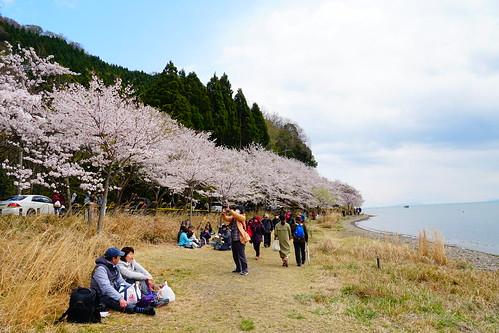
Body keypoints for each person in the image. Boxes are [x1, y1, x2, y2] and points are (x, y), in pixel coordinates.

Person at [90, 247, 155, 315]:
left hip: (115, 291)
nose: (120, 258)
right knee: (121, 304)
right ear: (113, 258)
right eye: (119, 257)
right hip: (102, 296)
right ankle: (141, 310)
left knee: (132, 294)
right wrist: (120, 298)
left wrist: (133, 289)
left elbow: (121, 281)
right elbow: (106, 288)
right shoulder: (100, 269)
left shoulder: (115, 266)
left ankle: (150, 301)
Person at [221, 206, 249, 275]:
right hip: (233, 239)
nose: (236, 211)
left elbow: (238, 216)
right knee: (235, 255)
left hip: (240, 239)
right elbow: (227, 219)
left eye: (237, 210)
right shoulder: (234, 217)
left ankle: (245, 269)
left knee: (241, 255)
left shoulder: (242, 217)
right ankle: (238, 268)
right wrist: (224, 214)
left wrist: (231, 210)